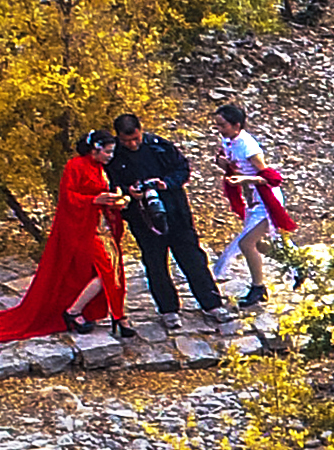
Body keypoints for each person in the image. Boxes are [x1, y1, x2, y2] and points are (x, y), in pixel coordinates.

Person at [0, 131, 129, 348]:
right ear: (95, 149)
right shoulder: (75, 166)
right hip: (83, 229)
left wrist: (117, 200)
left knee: (111, 269)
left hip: (101, 227)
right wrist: (93, 200)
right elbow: (68, 197)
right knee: (108, 270)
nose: (110, 155)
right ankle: (84, 312)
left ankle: (102, 313)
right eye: (107, 151)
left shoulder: (100, 168)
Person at [108, 110, 227, 325]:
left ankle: (212, 303)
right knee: (155, 264)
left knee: (193, 259)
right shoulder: (113, 156)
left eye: (135, 138)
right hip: (143, 219)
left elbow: (183, 169)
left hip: (176, 213)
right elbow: (110, 184)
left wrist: (166, 183)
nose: (133, 144)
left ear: (141, 131)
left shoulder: (158, 146)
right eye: (127, 141)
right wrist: (128, 192)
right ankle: (168, 309)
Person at [207, 101, 297, 308]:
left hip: (265, 199)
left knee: (246, 243)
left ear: (236, 125)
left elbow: (270, 178)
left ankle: (258, 287)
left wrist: (244, 180)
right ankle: (295, 263)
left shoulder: (249, 146)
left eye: (223, 125)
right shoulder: (229, 142)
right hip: (253, 199)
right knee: (256, 244)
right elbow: (233, 164)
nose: (219, 130)